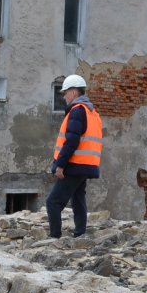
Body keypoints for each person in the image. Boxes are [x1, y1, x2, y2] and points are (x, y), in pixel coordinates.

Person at [46, 74, 101, 240]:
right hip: (86, 164)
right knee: (78, 198)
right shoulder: (92, 112)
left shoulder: (77, 111)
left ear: (74, 93)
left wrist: (60, 164)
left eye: (65, 93)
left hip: (74, 164)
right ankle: (80, 234)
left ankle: (55, 237)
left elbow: (71, 141)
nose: (64, 97)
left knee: (53, 202)